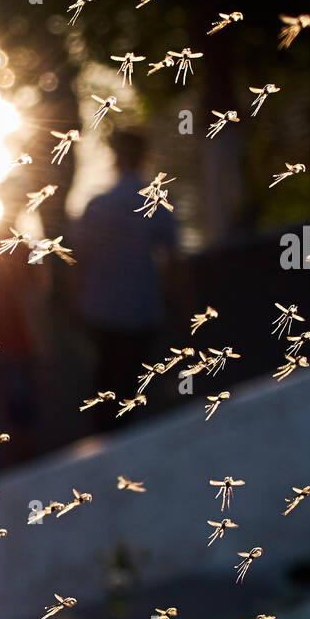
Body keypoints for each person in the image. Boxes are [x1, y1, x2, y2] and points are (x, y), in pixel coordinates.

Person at [71, 130, 179, 423]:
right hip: (140, 310)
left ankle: (101, 440)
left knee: (103, 378)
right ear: (143, 157)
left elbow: (79, 260)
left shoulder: (97, 205)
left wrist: (75, 303)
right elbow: (172, 260)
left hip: (100, 310)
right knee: (133, 384)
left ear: (115, 158)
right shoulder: (158, 203)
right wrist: (179, 304)